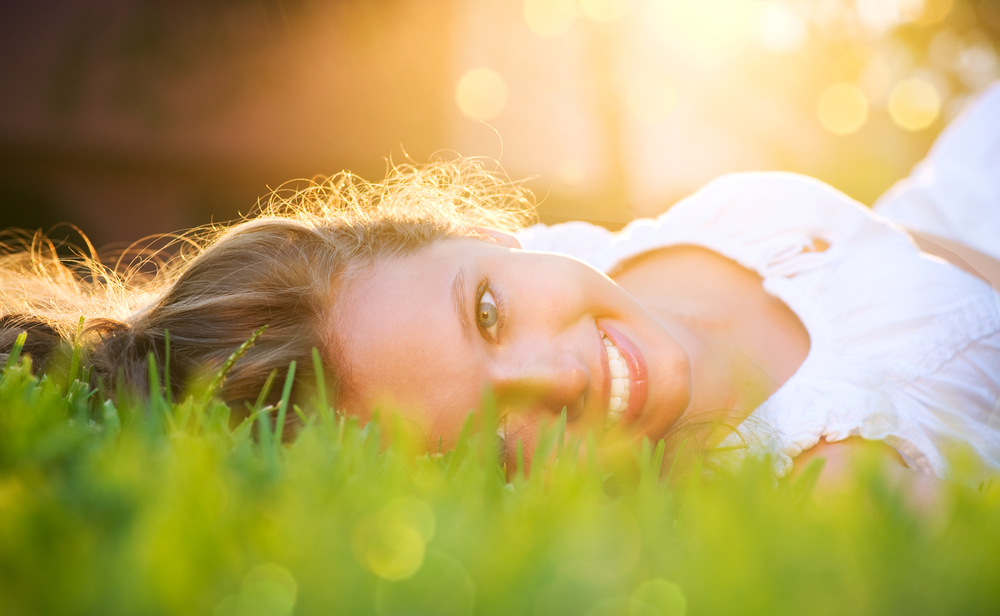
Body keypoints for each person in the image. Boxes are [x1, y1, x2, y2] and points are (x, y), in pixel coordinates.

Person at [2, 85, 998, 490]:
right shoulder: (817, 483)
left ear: (480, 235)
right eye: (490, 432)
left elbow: (908, 250)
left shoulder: (576, 249)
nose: (554, 368)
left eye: (487, 311)